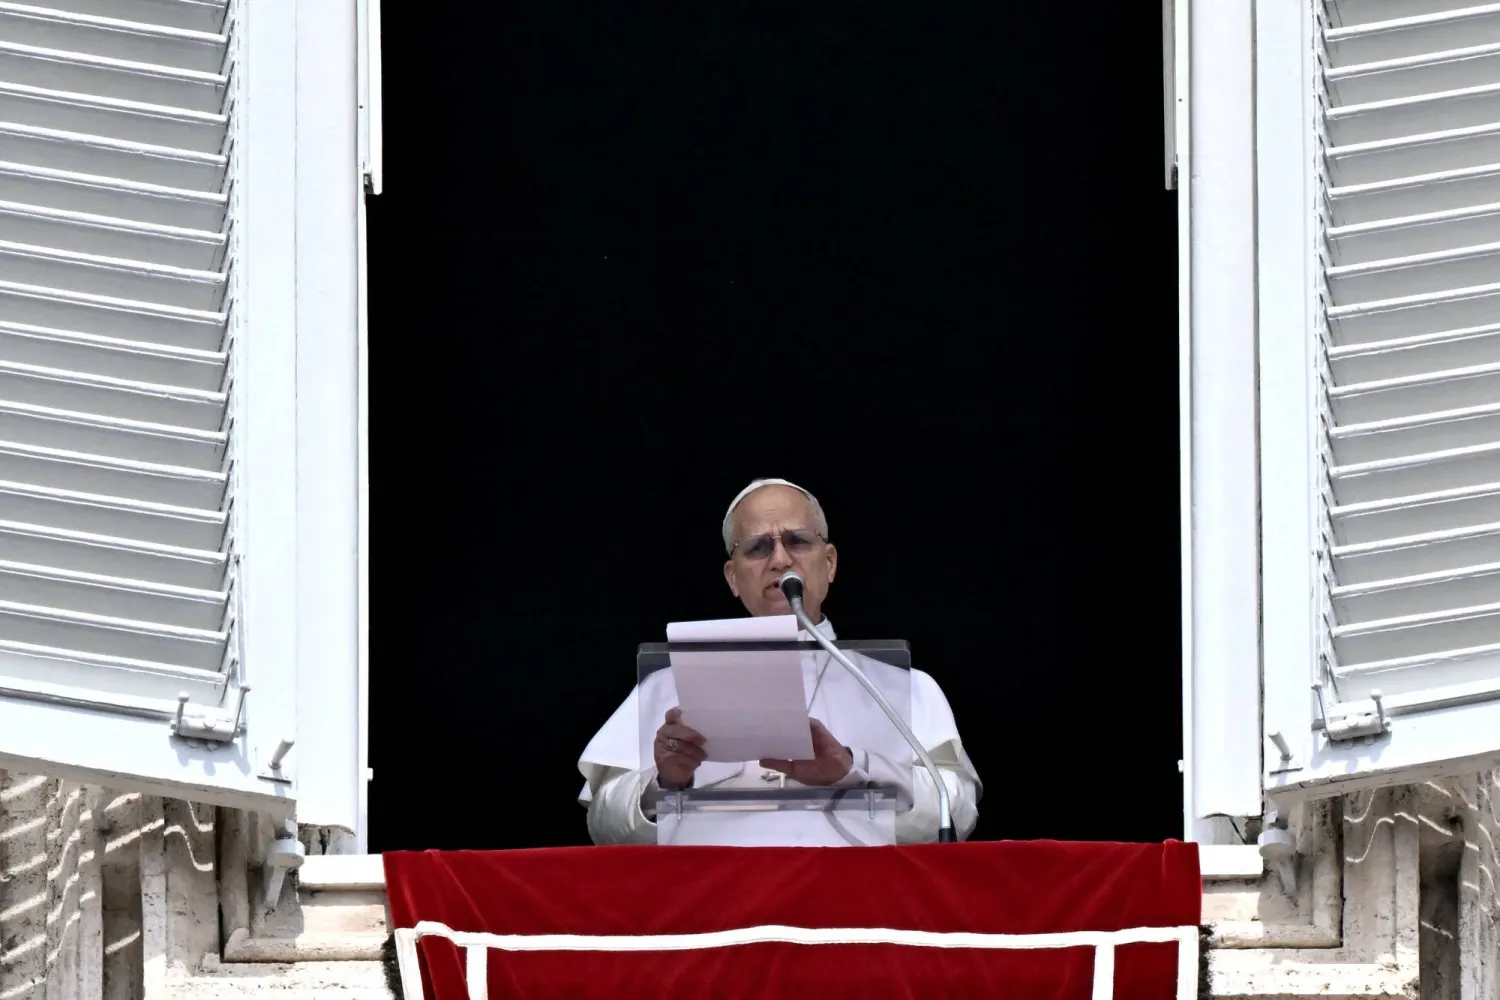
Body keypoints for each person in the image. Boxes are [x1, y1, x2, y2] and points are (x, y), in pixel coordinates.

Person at [577, 478, 982, 845]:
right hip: (715, 911)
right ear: (733, 578)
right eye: (757, 548)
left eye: (798, 541)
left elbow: (955, 813)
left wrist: (854, 770)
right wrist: (665, 781)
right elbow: (605, 827)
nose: (780, 560)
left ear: (830, 562)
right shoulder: (665, 687)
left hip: (853, 908)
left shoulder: (904, 685)